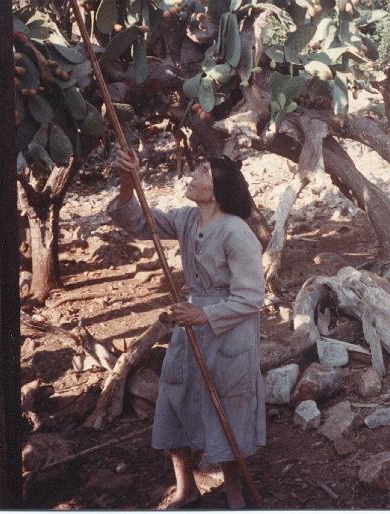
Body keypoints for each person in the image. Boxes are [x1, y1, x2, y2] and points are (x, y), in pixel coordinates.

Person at [108, 148, 265, 509]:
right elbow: (138, 223)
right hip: (190, 321)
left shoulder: (237, 233)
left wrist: (205, 316)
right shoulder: (187, 220)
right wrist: (128, 182)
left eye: (201, 172)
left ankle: (235, 490)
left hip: (228, 328)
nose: (191, 176)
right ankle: (186, 487)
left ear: (217, 189)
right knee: (175, 396)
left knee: (227, 403)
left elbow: (251, 297)